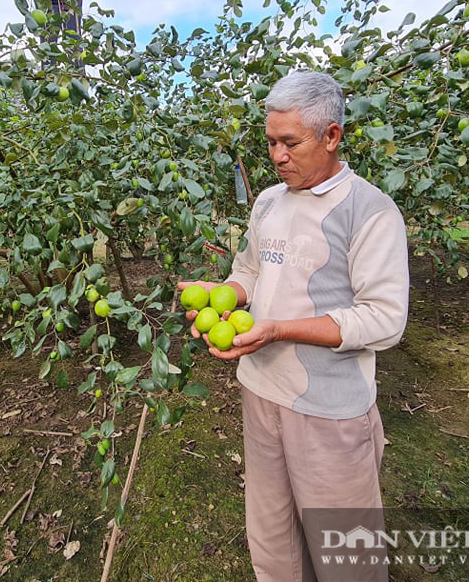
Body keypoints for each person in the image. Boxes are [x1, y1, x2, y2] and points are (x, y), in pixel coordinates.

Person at [179, 70, 409, 582]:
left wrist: (279, 329)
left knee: (345, 551)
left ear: (331, 136)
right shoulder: (268, 201)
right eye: (270, 143)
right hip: (261, 390)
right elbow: (251, 271)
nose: (278, 156)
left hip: (328, 408)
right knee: (273, 534)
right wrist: (219, 298)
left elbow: (385, 319)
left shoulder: (369, 210)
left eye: (290, 142)